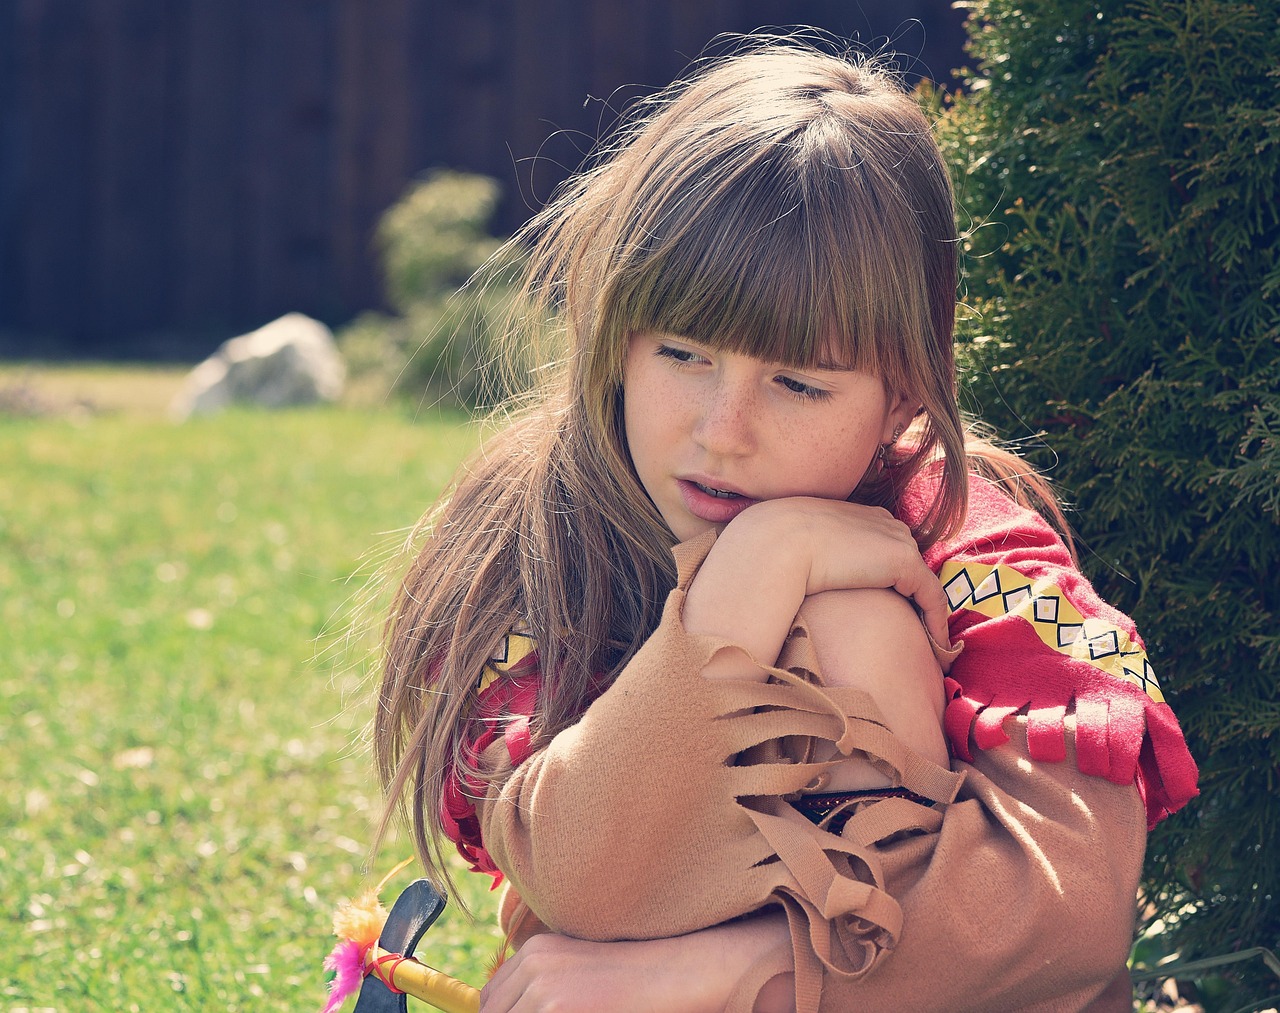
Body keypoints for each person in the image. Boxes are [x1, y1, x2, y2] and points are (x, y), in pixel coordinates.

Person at [372, 37, 1199, 1012]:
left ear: (900, 398)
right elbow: (580, 877)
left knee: (853, 619)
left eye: (798, 382)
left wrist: (739, 970)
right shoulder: (531, 551)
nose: (722, 432)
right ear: (612, 334)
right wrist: (751, 575)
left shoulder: (973, 544)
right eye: (681, 352)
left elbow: (1067, 910)